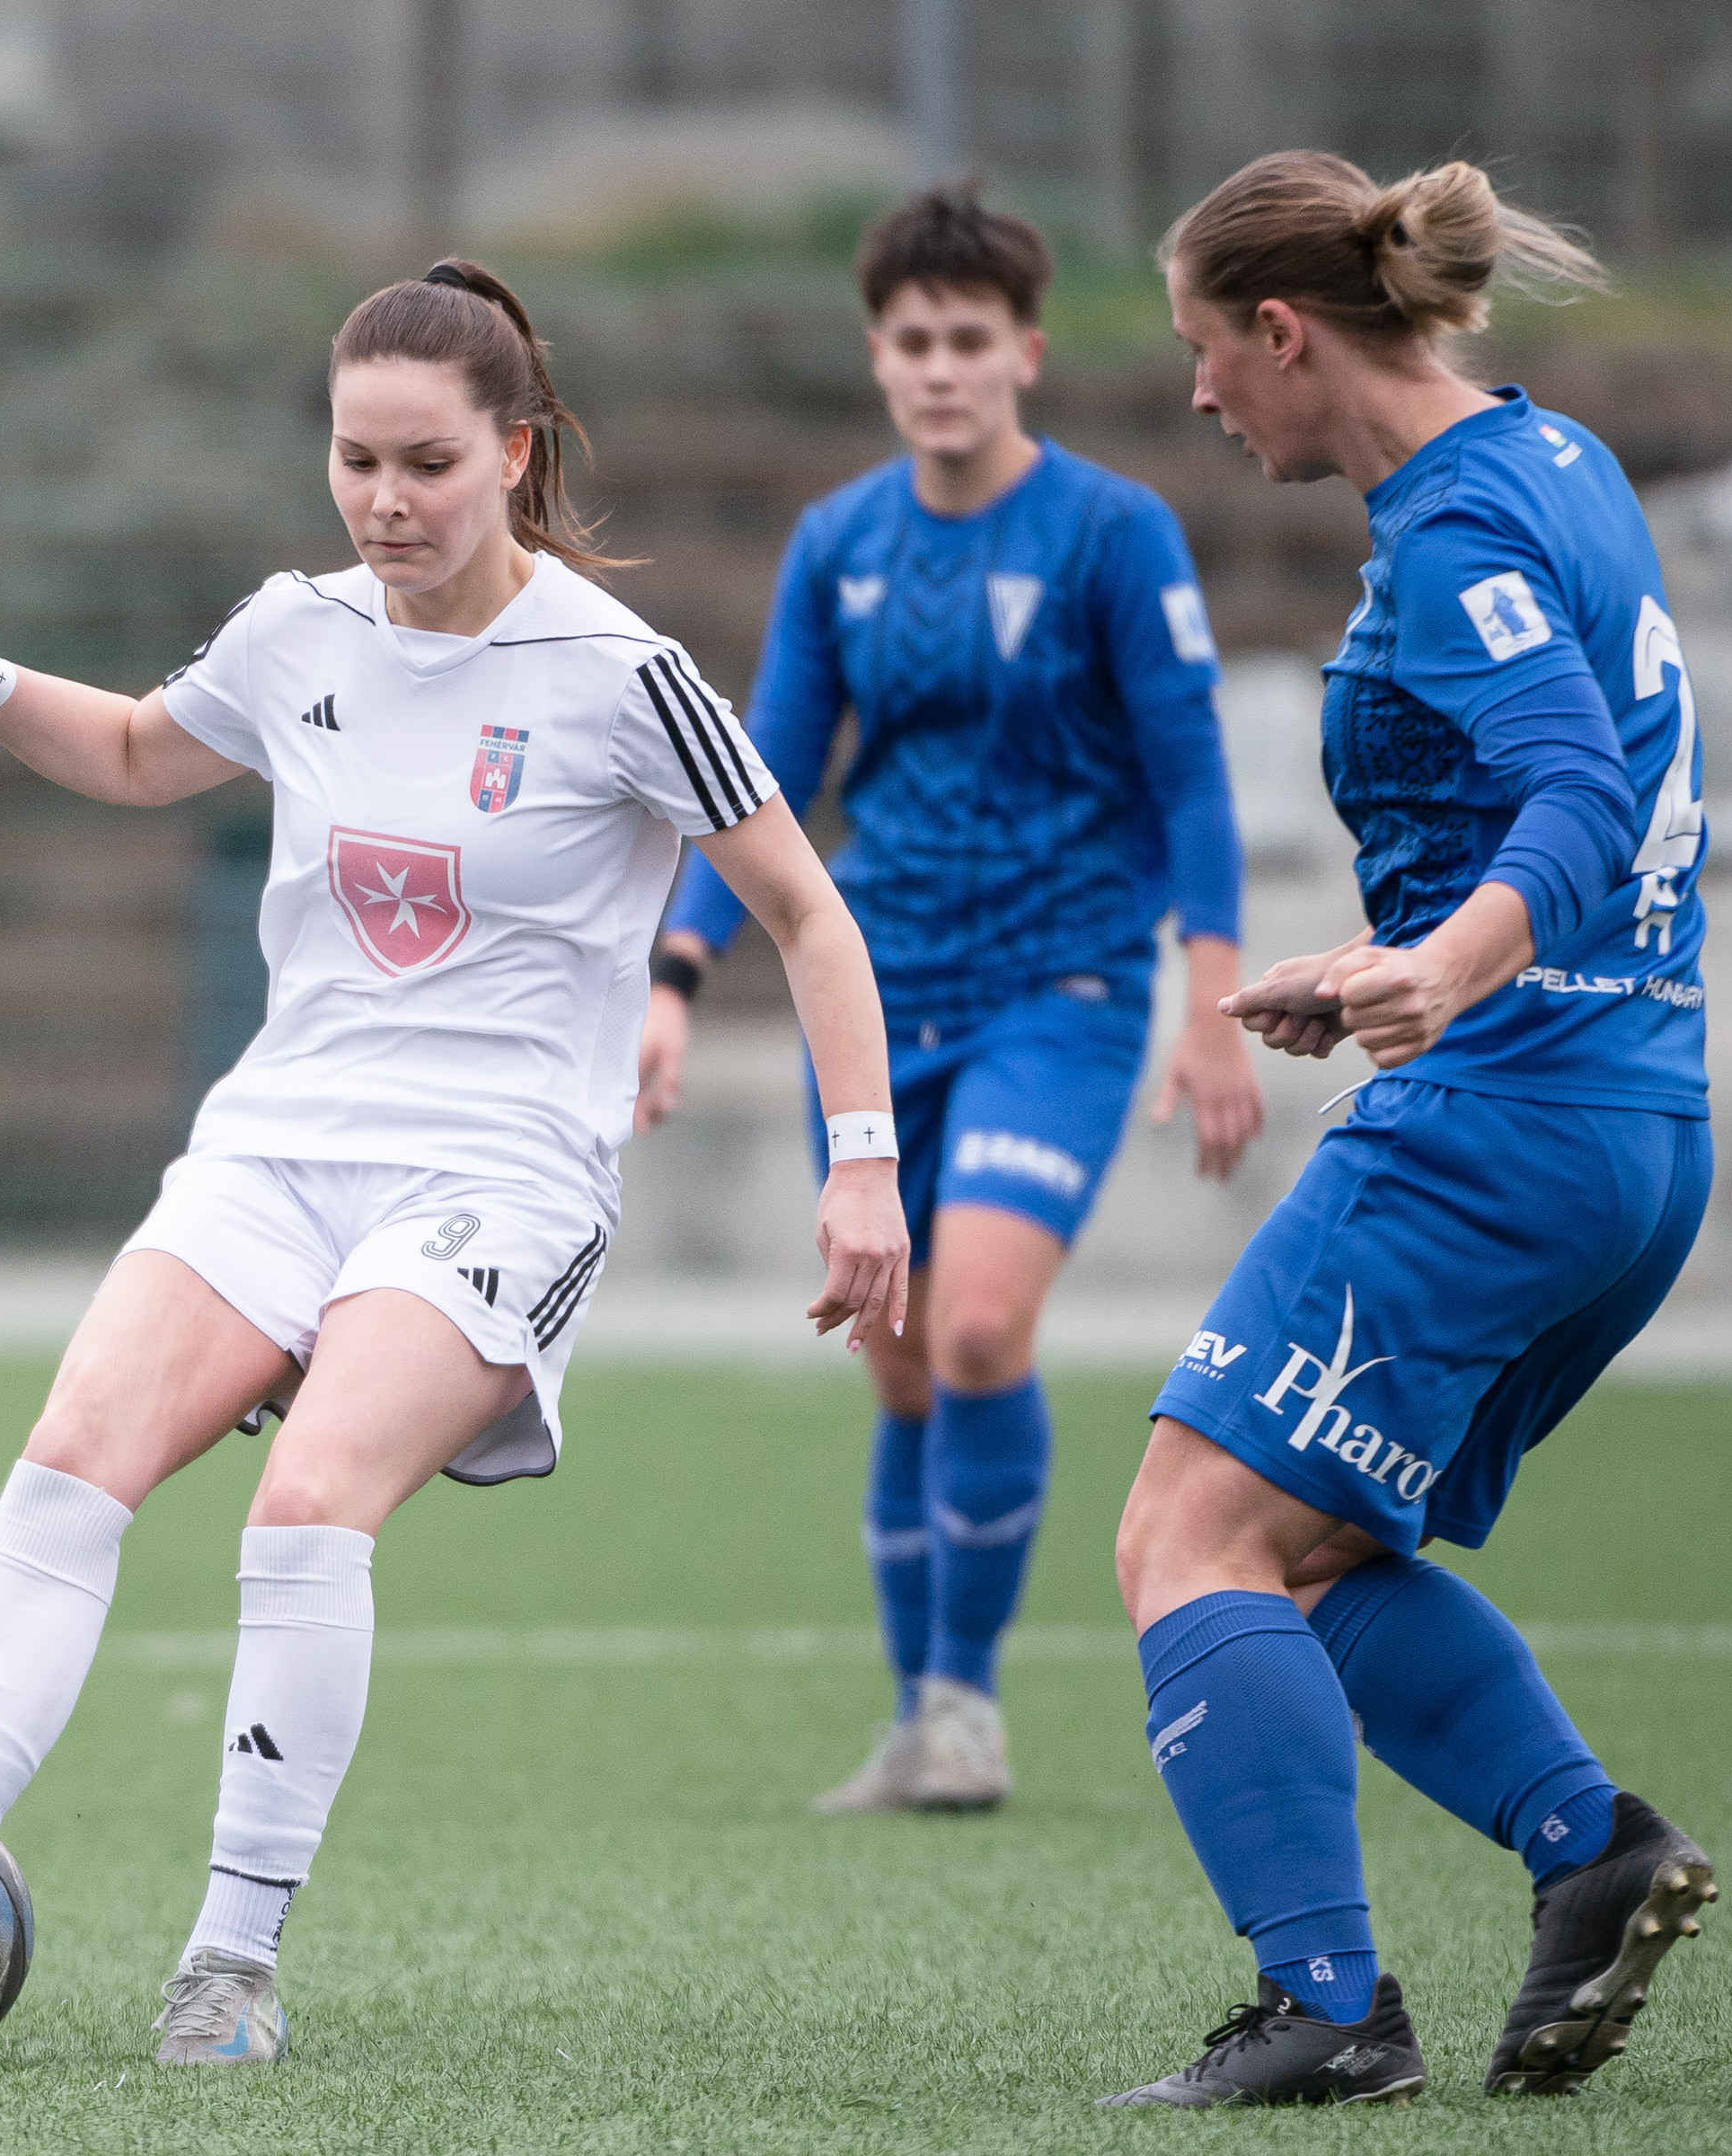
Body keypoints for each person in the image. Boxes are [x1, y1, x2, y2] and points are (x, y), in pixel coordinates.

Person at [0, 260, 910, 2069]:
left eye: (428, 464)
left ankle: (228, 1966)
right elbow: (138, 753)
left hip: (500, 1177)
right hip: (278, 1144)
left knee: (309, 1504)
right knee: (73, 1457)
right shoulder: (293, 630)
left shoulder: (626, 676)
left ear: (515, 452)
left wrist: (860, 1165)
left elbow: (809, 914)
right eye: (355, 461)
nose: (385, 503)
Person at [1100, 154, 1718, 2108]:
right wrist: (1386, 959)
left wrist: (1443, 973)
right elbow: (1558, 800)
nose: (1201, 392)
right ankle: (1589, 1852)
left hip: (1499, 1119)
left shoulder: (1454, 530)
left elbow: (1578, 793)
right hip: (1636, 1121)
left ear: (1284, 332)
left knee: (1186, 1531)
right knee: (1309, 1548)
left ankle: (1326, 2012)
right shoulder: (1557, 458)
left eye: (1208, 349)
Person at [641, 186, 1261, 1816]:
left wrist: (1211, 997)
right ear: (878, 356)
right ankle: (918, 1716)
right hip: (878, 993)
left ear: (1026, 354)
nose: (939, 368)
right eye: (912, 340)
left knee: (979, 1320)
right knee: (905, 1362)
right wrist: (677, 973)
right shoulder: (841, 542)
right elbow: (761, 780)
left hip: (1062, 989)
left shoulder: (1114, 533)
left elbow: (1193, 778)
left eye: (968, 339)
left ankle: (967, 1710)